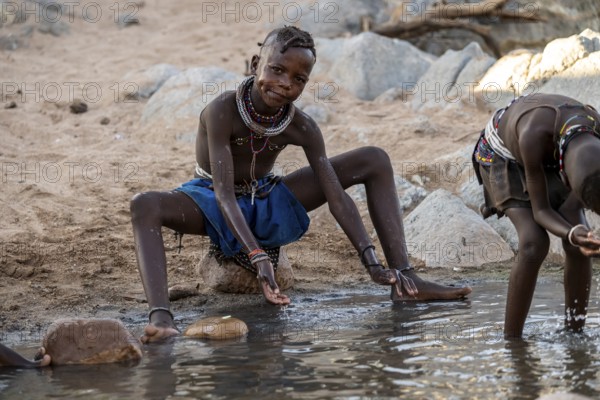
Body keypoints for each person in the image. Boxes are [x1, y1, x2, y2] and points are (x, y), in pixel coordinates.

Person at [130, 26, 472, 343]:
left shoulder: (302, 127)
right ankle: (161, 319)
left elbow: (335, 196)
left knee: (374, 158)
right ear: (254, 65)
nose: (285, 84)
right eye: (277, 70)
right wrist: (258, 256)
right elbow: (222, 193)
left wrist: (373, 264)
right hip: (211, 201)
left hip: (266, 198)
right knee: (144, 204)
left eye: (298, 78)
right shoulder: (221, 110)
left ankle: (406, 279)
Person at [472, 93, 600, 339]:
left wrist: (577, 236)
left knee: (579, 247)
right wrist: (572, 233)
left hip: (557, 152)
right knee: (533, 243)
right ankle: (513, 342)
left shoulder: (595, 132)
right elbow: (541, 212)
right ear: (565, 179)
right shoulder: (533, 135)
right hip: (501, 156)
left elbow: (571, 209)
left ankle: (575, 335)